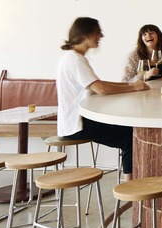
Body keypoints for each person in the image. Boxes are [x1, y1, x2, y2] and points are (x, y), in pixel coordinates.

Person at [57, 17, 149, 181]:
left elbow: (98, 84)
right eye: (97, 32)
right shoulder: (75, 59)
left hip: (72, 122)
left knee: (129, 130)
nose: (101, 36)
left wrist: (132, 86)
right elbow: (100, 89)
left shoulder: (71, 57)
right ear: (86, 34)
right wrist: (133, 87)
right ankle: (131, 187)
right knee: (131, 135)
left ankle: (133, 182)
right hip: (78, 124)